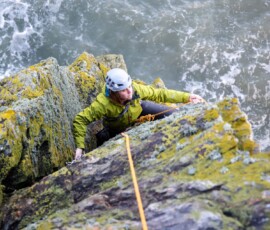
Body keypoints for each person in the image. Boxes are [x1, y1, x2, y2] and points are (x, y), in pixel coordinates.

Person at [73, 68, 204, 160]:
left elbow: (160, 94)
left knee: (174, 114)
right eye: (124, 90)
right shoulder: (102, 105)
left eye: (129, 86)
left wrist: (187, 97)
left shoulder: (135, 89)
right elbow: (80, 120)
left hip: (140, 111)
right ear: (113, 92)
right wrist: (80, 147)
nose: (129, 91)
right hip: (117, 129)